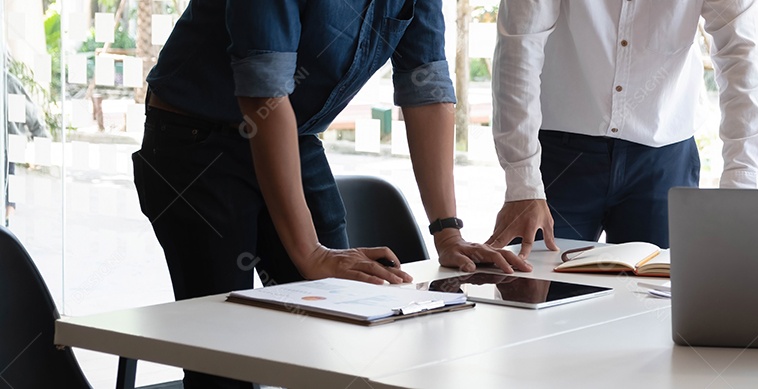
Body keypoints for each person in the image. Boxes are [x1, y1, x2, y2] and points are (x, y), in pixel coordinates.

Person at [134, 1, 529, 387]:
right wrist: (311, 253)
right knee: (222, 358)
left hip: (295, 133)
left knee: (341, 325)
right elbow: (262, 91)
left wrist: (448, 233)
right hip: (195, 139)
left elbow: (425, 82)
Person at [484, 0, 758, 257]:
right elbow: (520, 48)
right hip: (560, 159)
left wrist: (739, 190)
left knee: (657, 302)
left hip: (664, 161)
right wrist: (523, 183)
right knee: (539, 296)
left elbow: (742, 58)